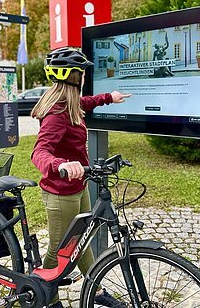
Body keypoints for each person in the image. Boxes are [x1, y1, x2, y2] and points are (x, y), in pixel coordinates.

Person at [31, 47, 131, 308]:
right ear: (75, 77)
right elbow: (39, 152)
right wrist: (61, 165)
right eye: (81, 73)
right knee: (57, 249)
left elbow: (85, 103)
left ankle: (95, 289)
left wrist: (109, 97)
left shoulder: (71, 103)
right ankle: (48, 299)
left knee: (81, 241)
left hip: (78, 187)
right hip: (60, 193)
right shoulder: (57, 114)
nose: (84, 76)